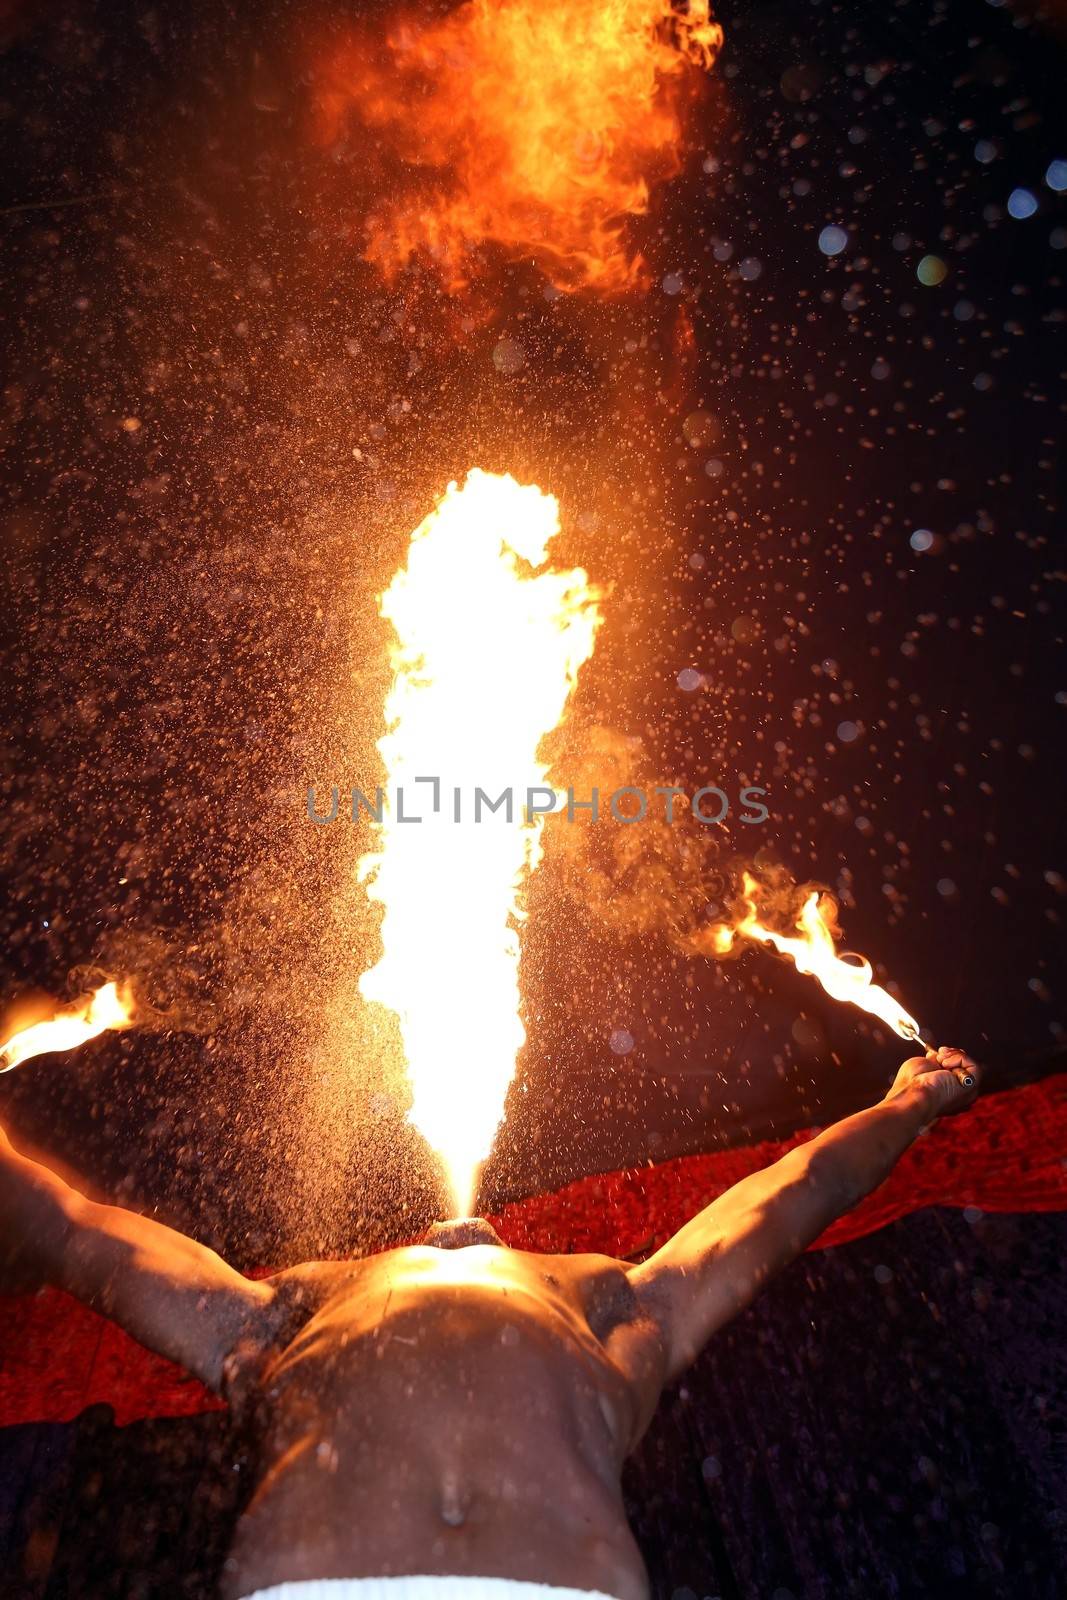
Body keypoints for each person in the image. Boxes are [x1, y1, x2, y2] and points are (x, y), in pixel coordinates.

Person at [0, 1046, 979, 1600]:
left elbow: (794, 1191)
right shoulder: (281, 1312)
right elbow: (80, 1233)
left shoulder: (619, 1302)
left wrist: (914, 1098)